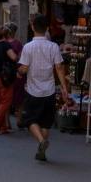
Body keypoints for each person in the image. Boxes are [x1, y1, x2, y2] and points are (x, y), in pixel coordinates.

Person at [16, 14, 70, 163]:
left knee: (30, 120)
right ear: (47, 28)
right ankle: (42, 149)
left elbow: (25, 68)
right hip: (49, 90)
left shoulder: (28, 47)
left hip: (33, 90)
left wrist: (19, 71)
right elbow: (59, 68)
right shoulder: (53, 46)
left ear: (33, 27)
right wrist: (64, 88)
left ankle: (41, 142)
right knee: (46, 122)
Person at [0, 24, 21, 135]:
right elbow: (13, 57)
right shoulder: (5, 45)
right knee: (6, 102)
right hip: (4, 77)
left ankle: (2, 127)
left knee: (0, 102)